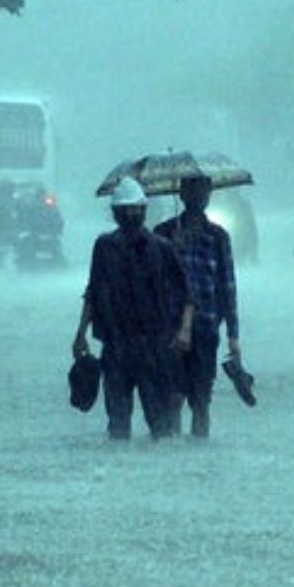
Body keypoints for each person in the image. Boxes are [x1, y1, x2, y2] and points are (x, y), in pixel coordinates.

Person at [73, 176, 194, 440]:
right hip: (116, 344)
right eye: (125, 209)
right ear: (115, 213)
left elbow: (187, 294)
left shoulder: (163, 248)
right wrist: (81, 332)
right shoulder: (104, 247)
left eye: (136, 208)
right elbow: (93, 291)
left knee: (158, 419)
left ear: (144, 210)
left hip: (154, 345)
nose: (131, 214)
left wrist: (184, 330)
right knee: (117, 420)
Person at [154, 175, 241, 438]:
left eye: (203, 192)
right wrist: (172, 250)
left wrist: (233, 335)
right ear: (181, 195)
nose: (198, 198)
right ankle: (173, 452)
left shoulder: (218, 236)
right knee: (173, 395)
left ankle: (200, 447)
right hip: (170, 327)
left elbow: (227, 285)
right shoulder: (163, 233)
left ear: (209, 196)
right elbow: (154, 280)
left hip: (206, 327)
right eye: (192, 192)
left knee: (202, 399)